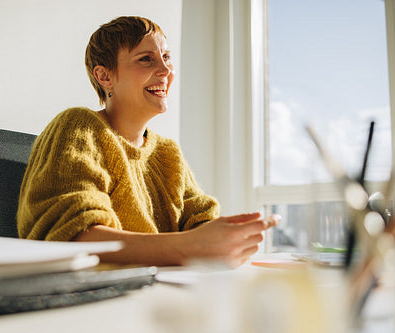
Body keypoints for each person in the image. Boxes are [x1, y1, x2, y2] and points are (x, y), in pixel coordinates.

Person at [17, 16, 280, 268]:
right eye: (146, 59)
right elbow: (73, 236)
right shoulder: (78, 127)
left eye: (166, 57)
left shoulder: (168, 153)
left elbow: (199, 222)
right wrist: (189, 247)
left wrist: (223, 242)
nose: (166, 71)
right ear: (105, 76)